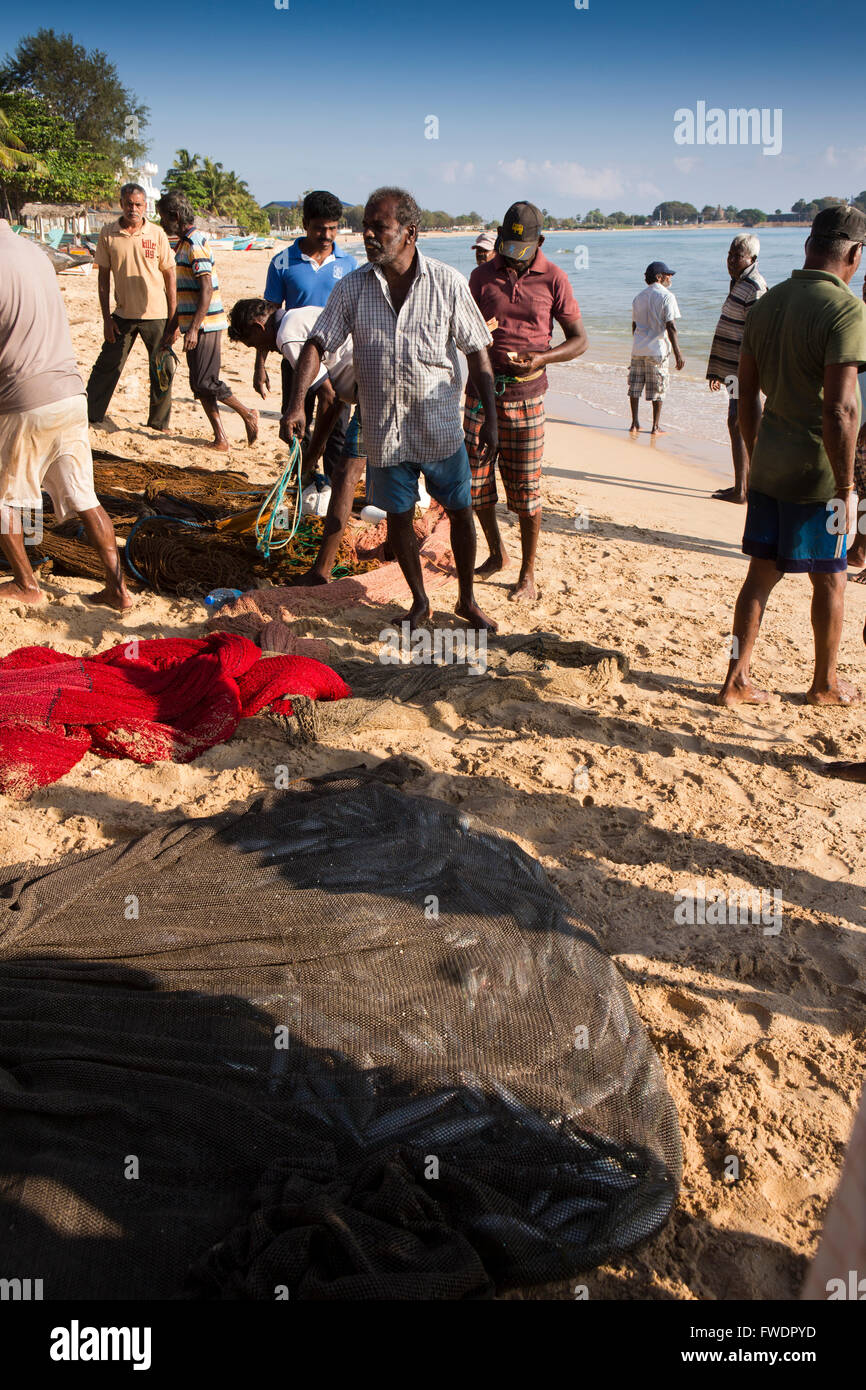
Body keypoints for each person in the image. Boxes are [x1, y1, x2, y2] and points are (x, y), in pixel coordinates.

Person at [284, 186, 499, 630]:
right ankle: (420, 601)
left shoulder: (448, 283)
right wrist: (294, 405)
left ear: (410, 232)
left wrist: (490, 419)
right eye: (365, 226)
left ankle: (466, 599)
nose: (367, 235)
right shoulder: (353, 288)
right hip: (385, 430)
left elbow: (478, 354)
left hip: (439, 428)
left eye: (378, 227)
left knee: (460, 511)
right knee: (398, 516)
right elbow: (316, 343)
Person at [718, 205, 866, 709]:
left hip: (771, 466)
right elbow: (841, 409)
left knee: (760, 575)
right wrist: (846, 489)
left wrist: (759, 455)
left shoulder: (766, 305)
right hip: (817, 473)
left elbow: (747, 399)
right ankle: (824, 683)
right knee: (831, 579)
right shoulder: (847, 310)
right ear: (855, 254)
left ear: (808, 246)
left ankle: (736, 678)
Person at [0, 220, 131, 610]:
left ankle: (27, 585)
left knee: (5, 500)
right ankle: (118, 590)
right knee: (85, 497)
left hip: (23, 398)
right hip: (70, 393)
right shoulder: (35, 254)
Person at [465, 201, 587, 601]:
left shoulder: (555, 278)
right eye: (507, 248)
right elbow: (462, 333)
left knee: (526, 492)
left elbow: (579, 340)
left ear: (541, 243)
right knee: (475, 486)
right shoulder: (481, 276)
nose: (512, 259)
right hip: (480, 396)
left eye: (522, 250)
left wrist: (542, 358)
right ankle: (497, 552)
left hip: (527, 399)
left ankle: (527, 573)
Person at [228, 298, 363, 584]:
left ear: (258, 326)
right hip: (371, 384)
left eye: (255, 344)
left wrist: (312, 456)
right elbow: (335, 400)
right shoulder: (299, 316)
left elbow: (328, 398)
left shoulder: (288, 336)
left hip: (374, 389)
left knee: (345, 475)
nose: (261, 351)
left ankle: (321, 571)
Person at [256, 190, 357, 477]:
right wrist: (260, 365)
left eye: (332, 228)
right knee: (297, 424)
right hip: (296, 359)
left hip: (336, 362)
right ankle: (305, 481)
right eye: (319, 228)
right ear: (305, 224)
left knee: (337, 429)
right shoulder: (282, 262)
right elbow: (269, 317)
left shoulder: (348, 264)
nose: (326, 235)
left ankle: (334, 488)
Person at [155, 193, 258, 452]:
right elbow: (184, 291)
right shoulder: (183, 243)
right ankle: (221, 438)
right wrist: (175, 325)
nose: (161, 221)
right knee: (199, 385)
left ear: (175, 217)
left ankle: (247, 413)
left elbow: (206, 289)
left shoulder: (195, 243)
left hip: (207, 325)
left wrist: (193, 328)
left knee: (206, 382)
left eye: (163, 216)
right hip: (194, 323)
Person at [87, 183, 177, 432]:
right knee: (107, 366)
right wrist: (107, 319)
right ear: (121, 204)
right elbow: (103, 279)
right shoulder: (108, 233)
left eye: (138, 204)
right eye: (129, 204)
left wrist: (173, 318)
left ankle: (159, 423)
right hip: (122, 314)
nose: (133, 209)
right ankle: (89, 414)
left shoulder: (157, 233)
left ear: (145, 206)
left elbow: (170, 277)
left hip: (157, 315)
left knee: (162, 369)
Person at [706, 235, 768, 504]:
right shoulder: (739, 282)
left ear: (752, 259)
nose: (731, 260)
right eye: (729, 254)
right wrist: (718, 372)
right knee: (736, 423)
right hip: (733, 370)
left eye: (737, 256)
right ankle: (741, 486)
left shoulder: (754, 286)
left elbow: (759, 334)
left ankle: (745, 490)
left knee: (740, 422)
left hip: (746, 370)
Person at [628, 261, 684, 434]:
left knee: (635, 387)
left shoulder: (638, 297)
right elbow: (671, 326)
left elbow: (634, 326)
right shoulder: (667, 296)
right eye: (668, 274)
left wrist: (639, 342)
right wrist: (678, 354)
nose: (670, 277)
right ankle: (655, 426)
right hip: (657, 350)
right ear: (659, 278)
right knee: (658, 389)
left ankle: (635, 422)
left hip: (638, 349)